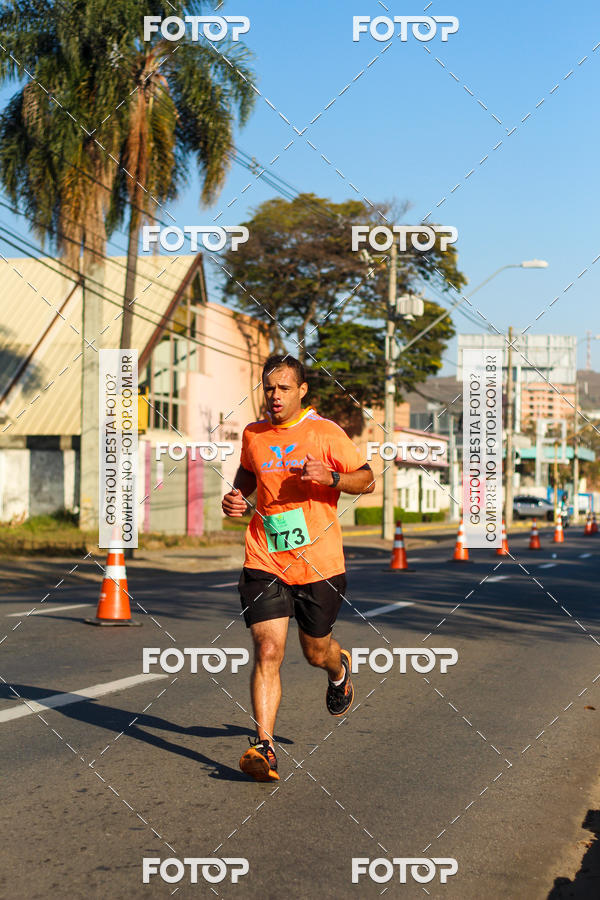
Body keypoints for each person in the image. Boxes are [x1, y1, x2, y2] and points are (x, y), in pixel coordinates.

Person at [221, 354, 375, 781]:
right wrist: (236, 498)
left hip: (319, 562)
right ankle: (264, 746)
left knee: (314, 652)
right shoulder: (254, 434)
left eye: (283, 388)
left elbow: (367, 478)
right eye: (268, 388)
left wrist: (331, 479)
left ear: (302, 390)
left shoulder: (325, 433)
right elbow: (247, 476)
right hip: (265, 555)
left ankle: (338, 667)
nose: (274, 396)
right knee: (268, 649)